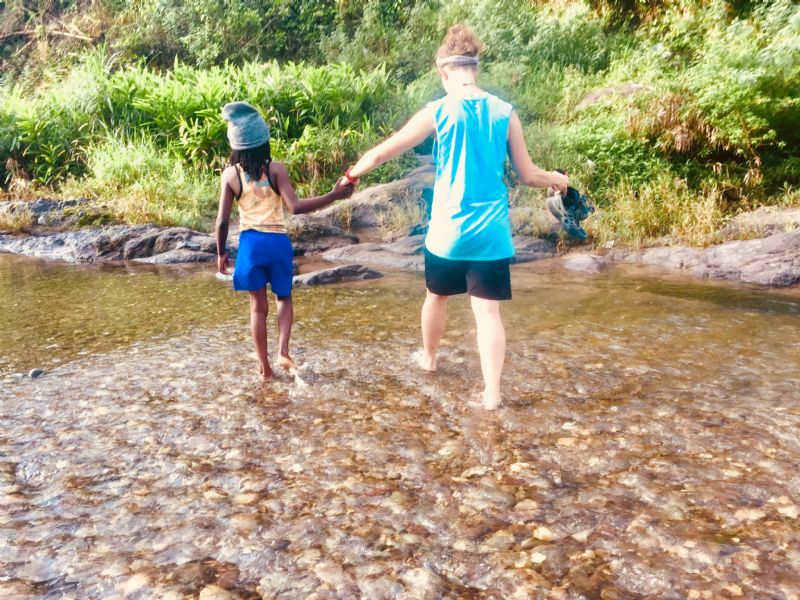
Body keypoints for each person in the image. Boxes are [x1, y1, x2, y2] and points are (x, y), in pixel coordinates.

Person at [341, 25, 569, 409]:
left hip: (447, 232)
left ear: (443, 70)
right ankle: (492, 395)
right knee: (488, 313)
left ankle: (429, 360)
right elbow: (529, 176)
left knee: (436, 296)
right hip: (491, 232)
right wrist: (557, 180)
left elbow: (382, 153)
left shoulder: (438, 111)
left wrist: (350, 176)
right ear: (475, 68)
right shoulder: (505, 112)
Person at [216, 101, 354, 381]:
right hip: (277, 243)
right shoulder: (276, 169)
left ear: (236, 145)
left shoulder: (231, 176)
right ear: (263, 141)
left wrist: (220, 253)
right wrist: (334, 195)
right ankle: (283, 351)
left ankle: (264, 369)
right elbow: (296, 207)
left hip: (250, 246)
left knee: (257, 307)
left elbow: (221, 221)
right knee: (283, 297)